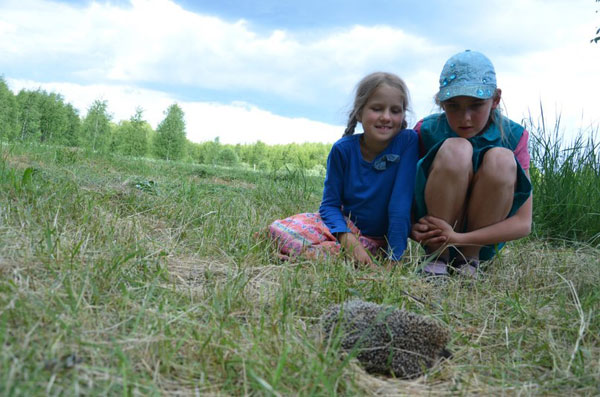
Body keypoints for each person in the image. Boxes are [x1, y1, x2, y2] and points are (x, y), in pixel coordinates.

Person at [267, 72, 418, 268]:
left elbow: (401, 203)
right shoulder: (343, 149)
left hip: (376, 239)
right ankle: (306, 253)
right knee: (281, 230)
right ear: (359, 112)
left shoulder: (407, 141)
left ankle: (304, 256)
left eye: (395, 111)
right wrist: (348, 240)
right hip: (344, 229)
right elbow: (329, 205)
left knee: (338, 255)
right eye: (377, 108)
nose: (386, 117)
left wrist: (394, 258)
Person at [411, 50, 532, 278]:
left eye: (476, 105)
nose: (464, 117)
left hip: (480, 239)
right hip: (432, 233)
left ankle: (468, 260)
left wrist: (460, 239)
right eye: (453, 105)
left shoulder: (515, 137)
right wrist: (409, 226)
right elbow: (399, 189)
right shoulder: (425, 130)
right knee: (456, 149)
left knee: (501, 158)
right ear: (441, 102)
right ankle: (436, 257)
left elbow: (523, 223)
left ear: (495, 99)